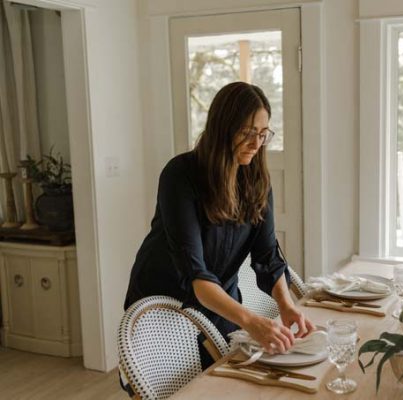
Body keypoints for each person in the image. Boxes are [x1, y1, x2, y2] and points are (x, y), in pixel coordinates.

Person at [124, 82, 315, 358]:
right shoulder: (180, 175)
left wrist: (286, 304)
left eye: (263, 134)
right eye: (248, 133)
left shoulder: (257, 181)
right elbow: (195, 273)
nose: (256, 144)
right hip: (164, 306)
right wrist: (250, 320)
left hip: (220, 304)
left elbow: (267, 255)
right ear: (223, 128)